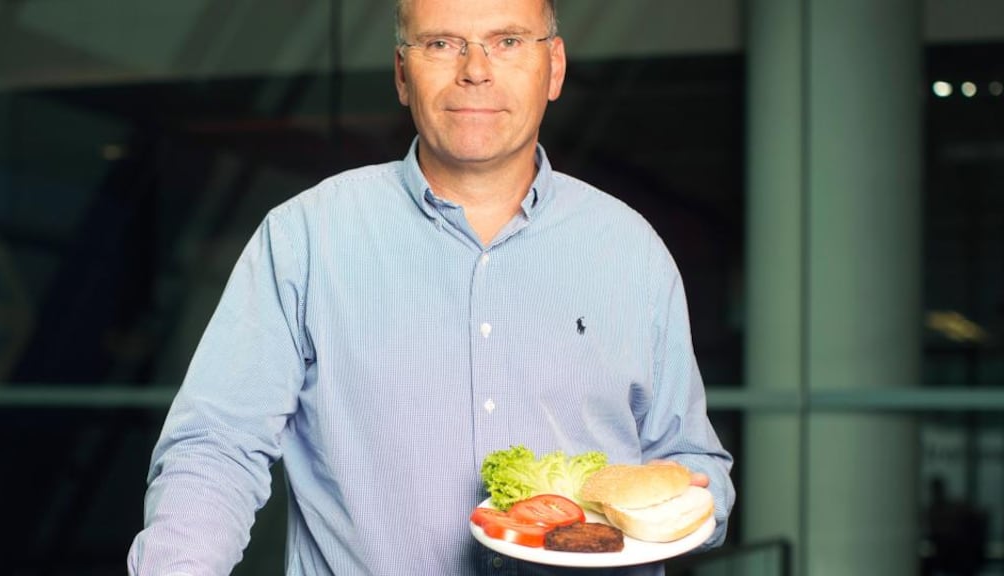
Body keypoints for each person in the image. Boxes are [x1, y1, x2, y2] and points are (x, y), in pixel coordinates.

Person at [127, 0, 735, 574]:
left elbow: (691, 461)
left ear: (554, 67)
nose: (475, 70)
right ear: (401, 73)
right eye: (442, 43)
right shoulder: (306, 238)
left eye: (507, 42)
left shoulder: (631, 251)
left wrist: (689, 503)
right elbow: (218, 447)